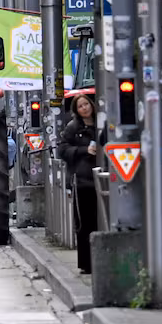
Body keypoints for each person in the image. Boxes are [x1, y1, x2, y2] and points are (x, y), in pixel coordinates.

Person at [59, 93, 102, 273]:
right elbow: (63, 150)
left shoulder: (102, 123)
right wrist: (84, 150)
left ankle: (101, 261)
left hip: (102, 178)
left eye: (86, 104)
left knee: (101, 220)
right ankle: (86, 264)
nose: (85, 108)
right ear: (76, 110)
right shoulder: (73, 127)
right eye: (80, 106)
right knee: (84, 223)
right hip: (82, 181)